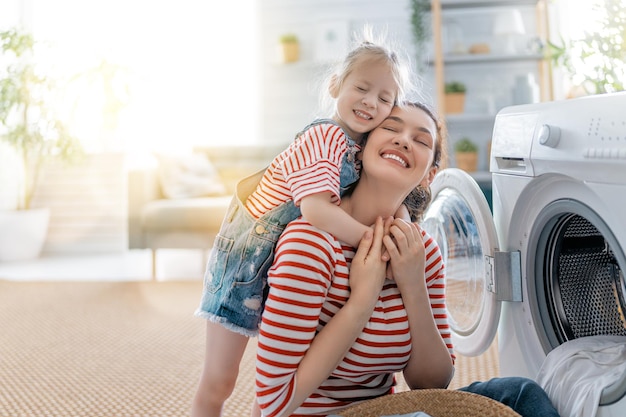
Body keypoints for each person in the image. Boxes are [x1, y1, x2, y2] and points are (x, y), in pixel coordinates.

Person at [254, 102, 561, 417]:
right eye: (390, 128)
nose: (403, 140)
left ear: (429, 175)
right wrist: (361, 301)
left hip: (388, 410)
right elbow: (271, 404)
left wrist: (414, 284)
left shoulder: (420, 249)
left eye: (421, 140)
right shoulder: (311, 242)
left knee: (521, 394)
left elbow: (431, 384)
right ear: (358, 150)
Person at [191, 30, 414, 417]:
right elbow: (315, 211)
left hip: (282, 265)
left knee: (268, 376)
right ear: (334, 85)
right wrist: (374, 242)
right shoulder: (324, 137)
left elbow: (381, 200)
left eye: (384, 98)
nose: (370, 102)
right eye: (361, 87)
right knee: (219, 381)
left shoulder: (360, 149)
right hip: (243, 263)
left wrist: (401, 220)